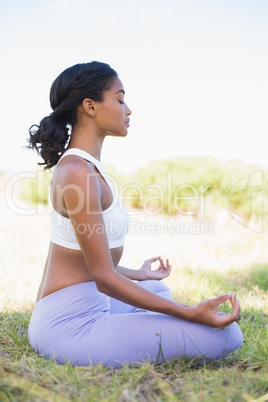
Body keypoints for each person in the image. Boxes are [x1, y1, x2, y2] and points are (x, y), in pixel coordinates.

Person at [27, 61, 243, 369]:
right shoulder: (77, 173)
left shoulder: (87, 168)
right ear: (90, 106)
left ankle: (138, 326)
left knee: (156, 288)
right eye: (120, 99)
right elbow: (103, 277)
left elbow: (86, 258)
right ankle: (141, 328)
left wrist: (137, 274)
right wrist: (190, 312)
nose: (128, 110)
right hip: (68, 326)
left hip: (88, 298)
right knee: (227, 336)